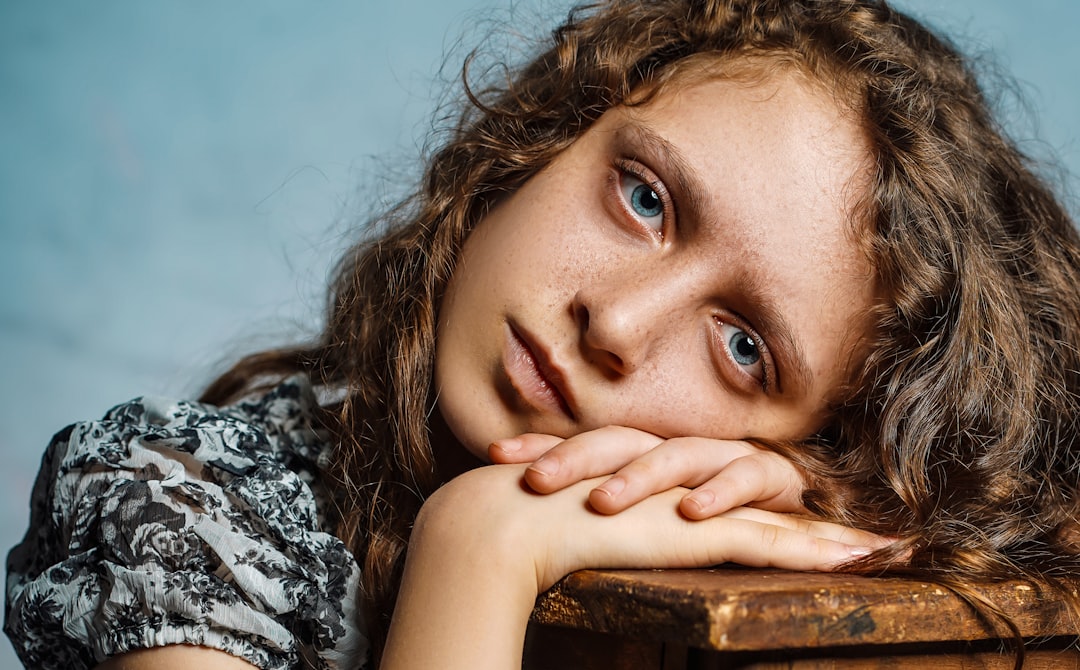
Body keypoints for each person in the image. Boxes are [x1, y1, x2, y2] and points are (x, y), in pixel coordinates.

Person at [7, 0, 1080, 668]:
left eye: (744, 345)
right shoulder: (176, 499)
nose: (613, 322)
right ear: (540, 144)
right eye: (645, 198)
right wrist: (480, 551)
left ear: (806, 455)